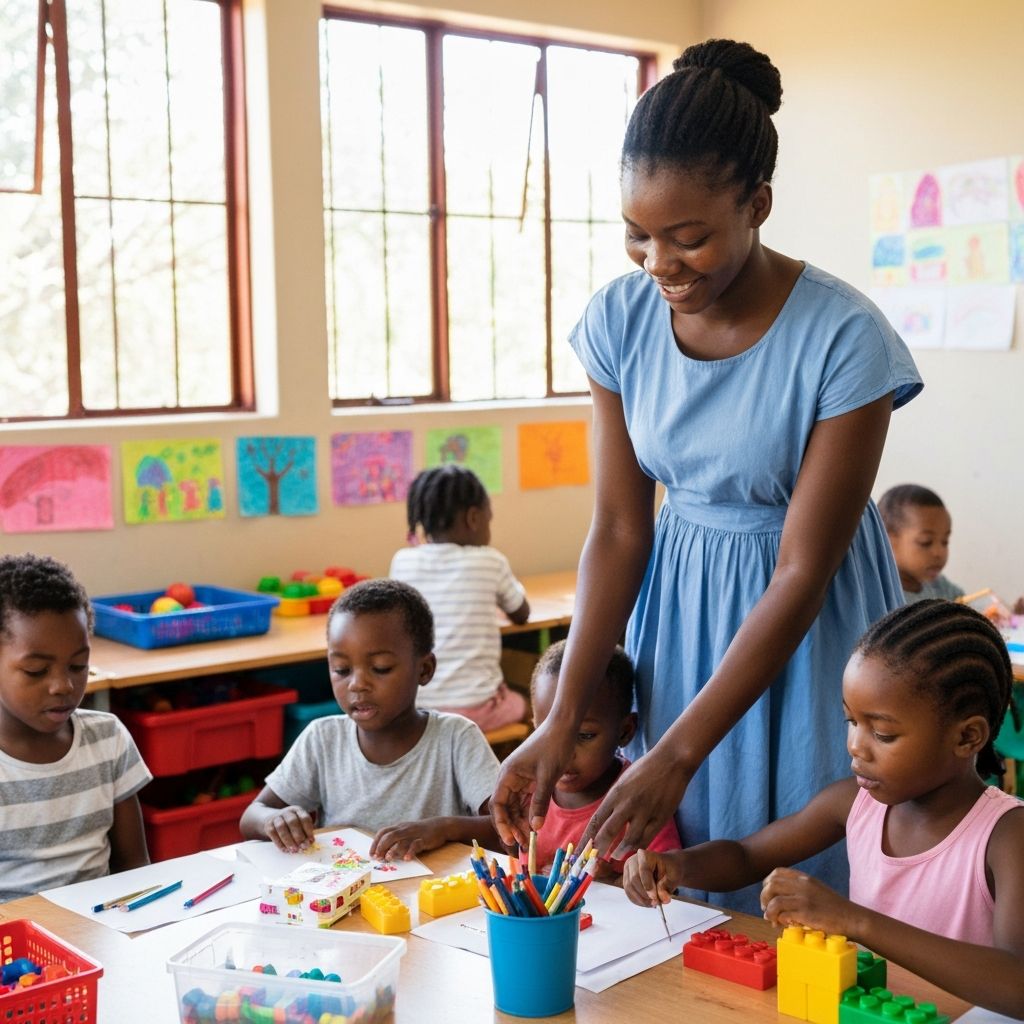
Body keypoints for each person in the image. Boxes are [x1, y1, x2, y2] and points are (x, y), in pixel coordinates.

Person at [491, 38, 923, 914]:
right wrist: (560, 719)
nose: (659, 264)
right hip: (682, 620)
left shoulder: (844, 340)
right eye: (637, 236)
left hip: (809, 631)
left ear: (757, 204)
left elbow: (802, 570)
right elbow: (620, 529)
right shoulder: (619, 322)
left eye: (688, 239)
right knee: (682, 882)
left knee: (808, 875)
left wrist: (679, 751)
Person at [624, 601, 1024, 1018]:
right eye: (852, 722)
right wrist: (676, 866)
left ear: (967, 737)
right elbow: (746, 857)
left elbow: (1018, 983)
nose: (855, 745)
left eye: (883, 733)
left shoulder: (1007, 835)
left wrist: (854, 921)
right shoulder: (854, 804)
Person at [240, 578, 502, 860]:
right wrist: (274, 820)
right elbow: (251, 816)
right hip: (346, 886)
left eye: (380, 668)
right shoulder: (322, 738)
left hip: (431, 888)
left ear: (424, 669)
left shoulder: (456, 738)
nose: (357, 684)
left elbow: (505, 829)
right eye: (342, 670)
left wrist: (443, 828)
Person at [0, 553, 151, 901]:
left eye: (78, 665)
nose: (63, 686)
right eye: (37, 671)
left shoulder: (108, 739)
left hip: (99, 926)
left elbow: (135, 869)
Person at [389, 465, 530, 731]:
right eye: (489, 520)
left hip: (415, 709)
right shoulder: (490, 561)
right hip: (477, 710)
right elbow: (522, 614)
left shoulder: (402, 562)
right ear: (474, 518)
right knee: (527, 702)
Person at [530, 640, 681, 881]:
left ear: (625, 731)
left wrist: (612, 882)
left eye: (584, 735)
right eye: (545, 733)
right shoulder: (527, 787)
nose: (562, 753)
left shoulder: (642, 795)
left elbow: (666, 880)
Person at [878, 484, 964, 603]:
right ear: (887, 541)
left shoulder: (940, 587)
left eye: (945, 542)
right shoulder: (881, 596)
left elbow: (967, 605)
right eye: (926, 542)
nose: (939, 552)